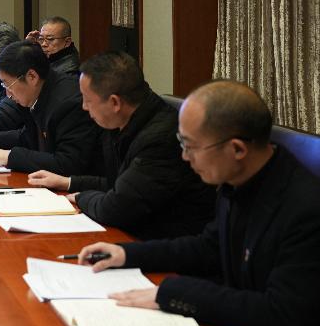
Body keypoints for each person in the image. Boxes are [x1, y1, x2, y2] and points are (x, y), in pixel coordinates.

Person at [77, 81, 320, 326]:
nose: (184, 156)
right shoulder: (238, 178)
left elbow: (281, 314)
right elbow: (210, 247)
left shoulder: (305, 208)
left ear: (237, 149)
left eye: (190, 146)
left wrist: (175, 292)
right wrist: (129, 254)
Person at [28, 51, 215, 239]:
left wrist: (80, 197)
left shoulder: (159, 139)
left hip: (164, 241)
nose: (84, 106)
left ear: (115, 102)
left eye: (88, 100)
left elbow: (115, 207)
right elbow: (120, 182)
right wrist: (68, 182)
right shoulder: (122, 121)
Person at [0, 41, 99, 175]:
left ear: (32, 77)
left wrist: (10, 157)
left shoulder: (67, 103)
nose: (8, 94)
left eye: (8, 84)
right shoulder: (40, 92)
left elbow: (68, 163)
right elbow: (27, 137)